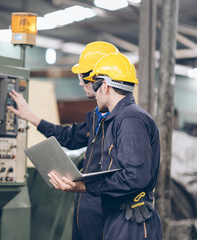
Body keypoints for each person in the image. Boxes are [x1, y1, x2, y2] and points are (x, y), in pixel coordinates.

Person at [8, 41, 118, 240]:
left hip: (108, 215)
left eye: (83, 77)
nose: (79, 83)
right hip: (87, 211)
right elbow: (69, 138)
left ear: (100, 78)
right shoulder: (95, 118)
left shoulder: (125, 122)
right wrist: (31, 116)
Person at [48, 52, 162, 239]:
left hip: (130, 219)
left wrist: (84, 186)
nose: (93, 93)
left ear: (106, 86)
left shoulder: (129, 118)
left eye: (95, 85)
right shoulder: (116, 118)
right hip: (116, 215)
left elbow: (135, 177)